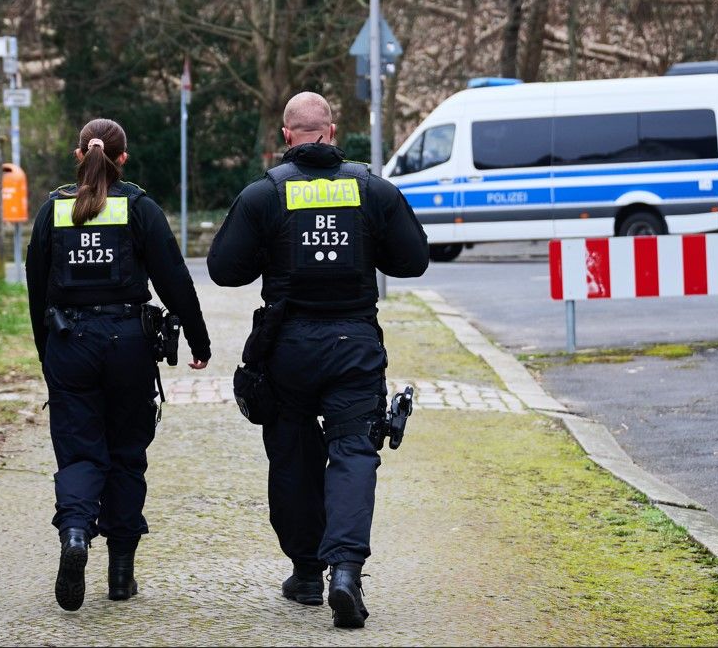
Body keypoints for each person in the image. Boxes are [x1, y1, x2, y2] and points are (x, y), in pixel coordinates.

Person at [206, 91, 430, 629]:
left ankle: (307, 573)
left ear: (288, 136)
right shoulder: (371, 190)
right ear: (331, 130)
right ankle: (347, 572)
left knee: (292, 455)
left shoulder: (265, 195)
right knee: (355, 452)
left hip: (289, 348)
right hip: (355, 345)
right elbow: (414, 260)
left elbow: (223, 270)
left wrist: (270, 249)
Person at [26, 117, 211, 612]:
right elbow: (174, 278)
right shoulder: (139, 206)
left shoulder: (52, 210)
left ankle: (75, 535)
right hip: (129, 343)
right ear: (122, 158)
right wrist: (198, 339)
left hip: (70, 344)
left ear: (78, 155)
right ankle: (121, 574)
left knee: (81, 453)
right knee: (127, 454)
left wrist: (49, 354)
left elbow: (37, 289)